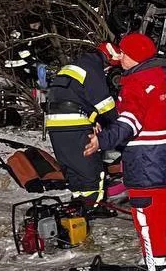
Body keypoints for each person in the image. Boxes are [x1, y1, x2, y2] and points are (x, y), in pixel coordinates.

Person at [85, 33, 166, 271]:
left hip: (146, 169)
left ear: (134, 57)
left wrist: (101, 141)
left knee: (149, 223)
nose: (119, 57)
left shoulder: (134, 85)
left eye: (123, 53)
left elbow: (130, 123)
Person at [44, 42, 122, 204]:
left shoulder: (72, 66)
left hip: (54, 124)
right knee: (91, 171)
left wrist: (93, 119)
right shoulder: (92, 68)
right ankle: (94, 206)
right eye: (109, 68)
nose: (107, 72)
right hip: (75, 124)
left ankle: (78, 206)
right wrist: (120, 127)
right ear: (107, 60)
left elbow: (75, 97)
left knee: (73, 169)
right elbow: (104, 104)